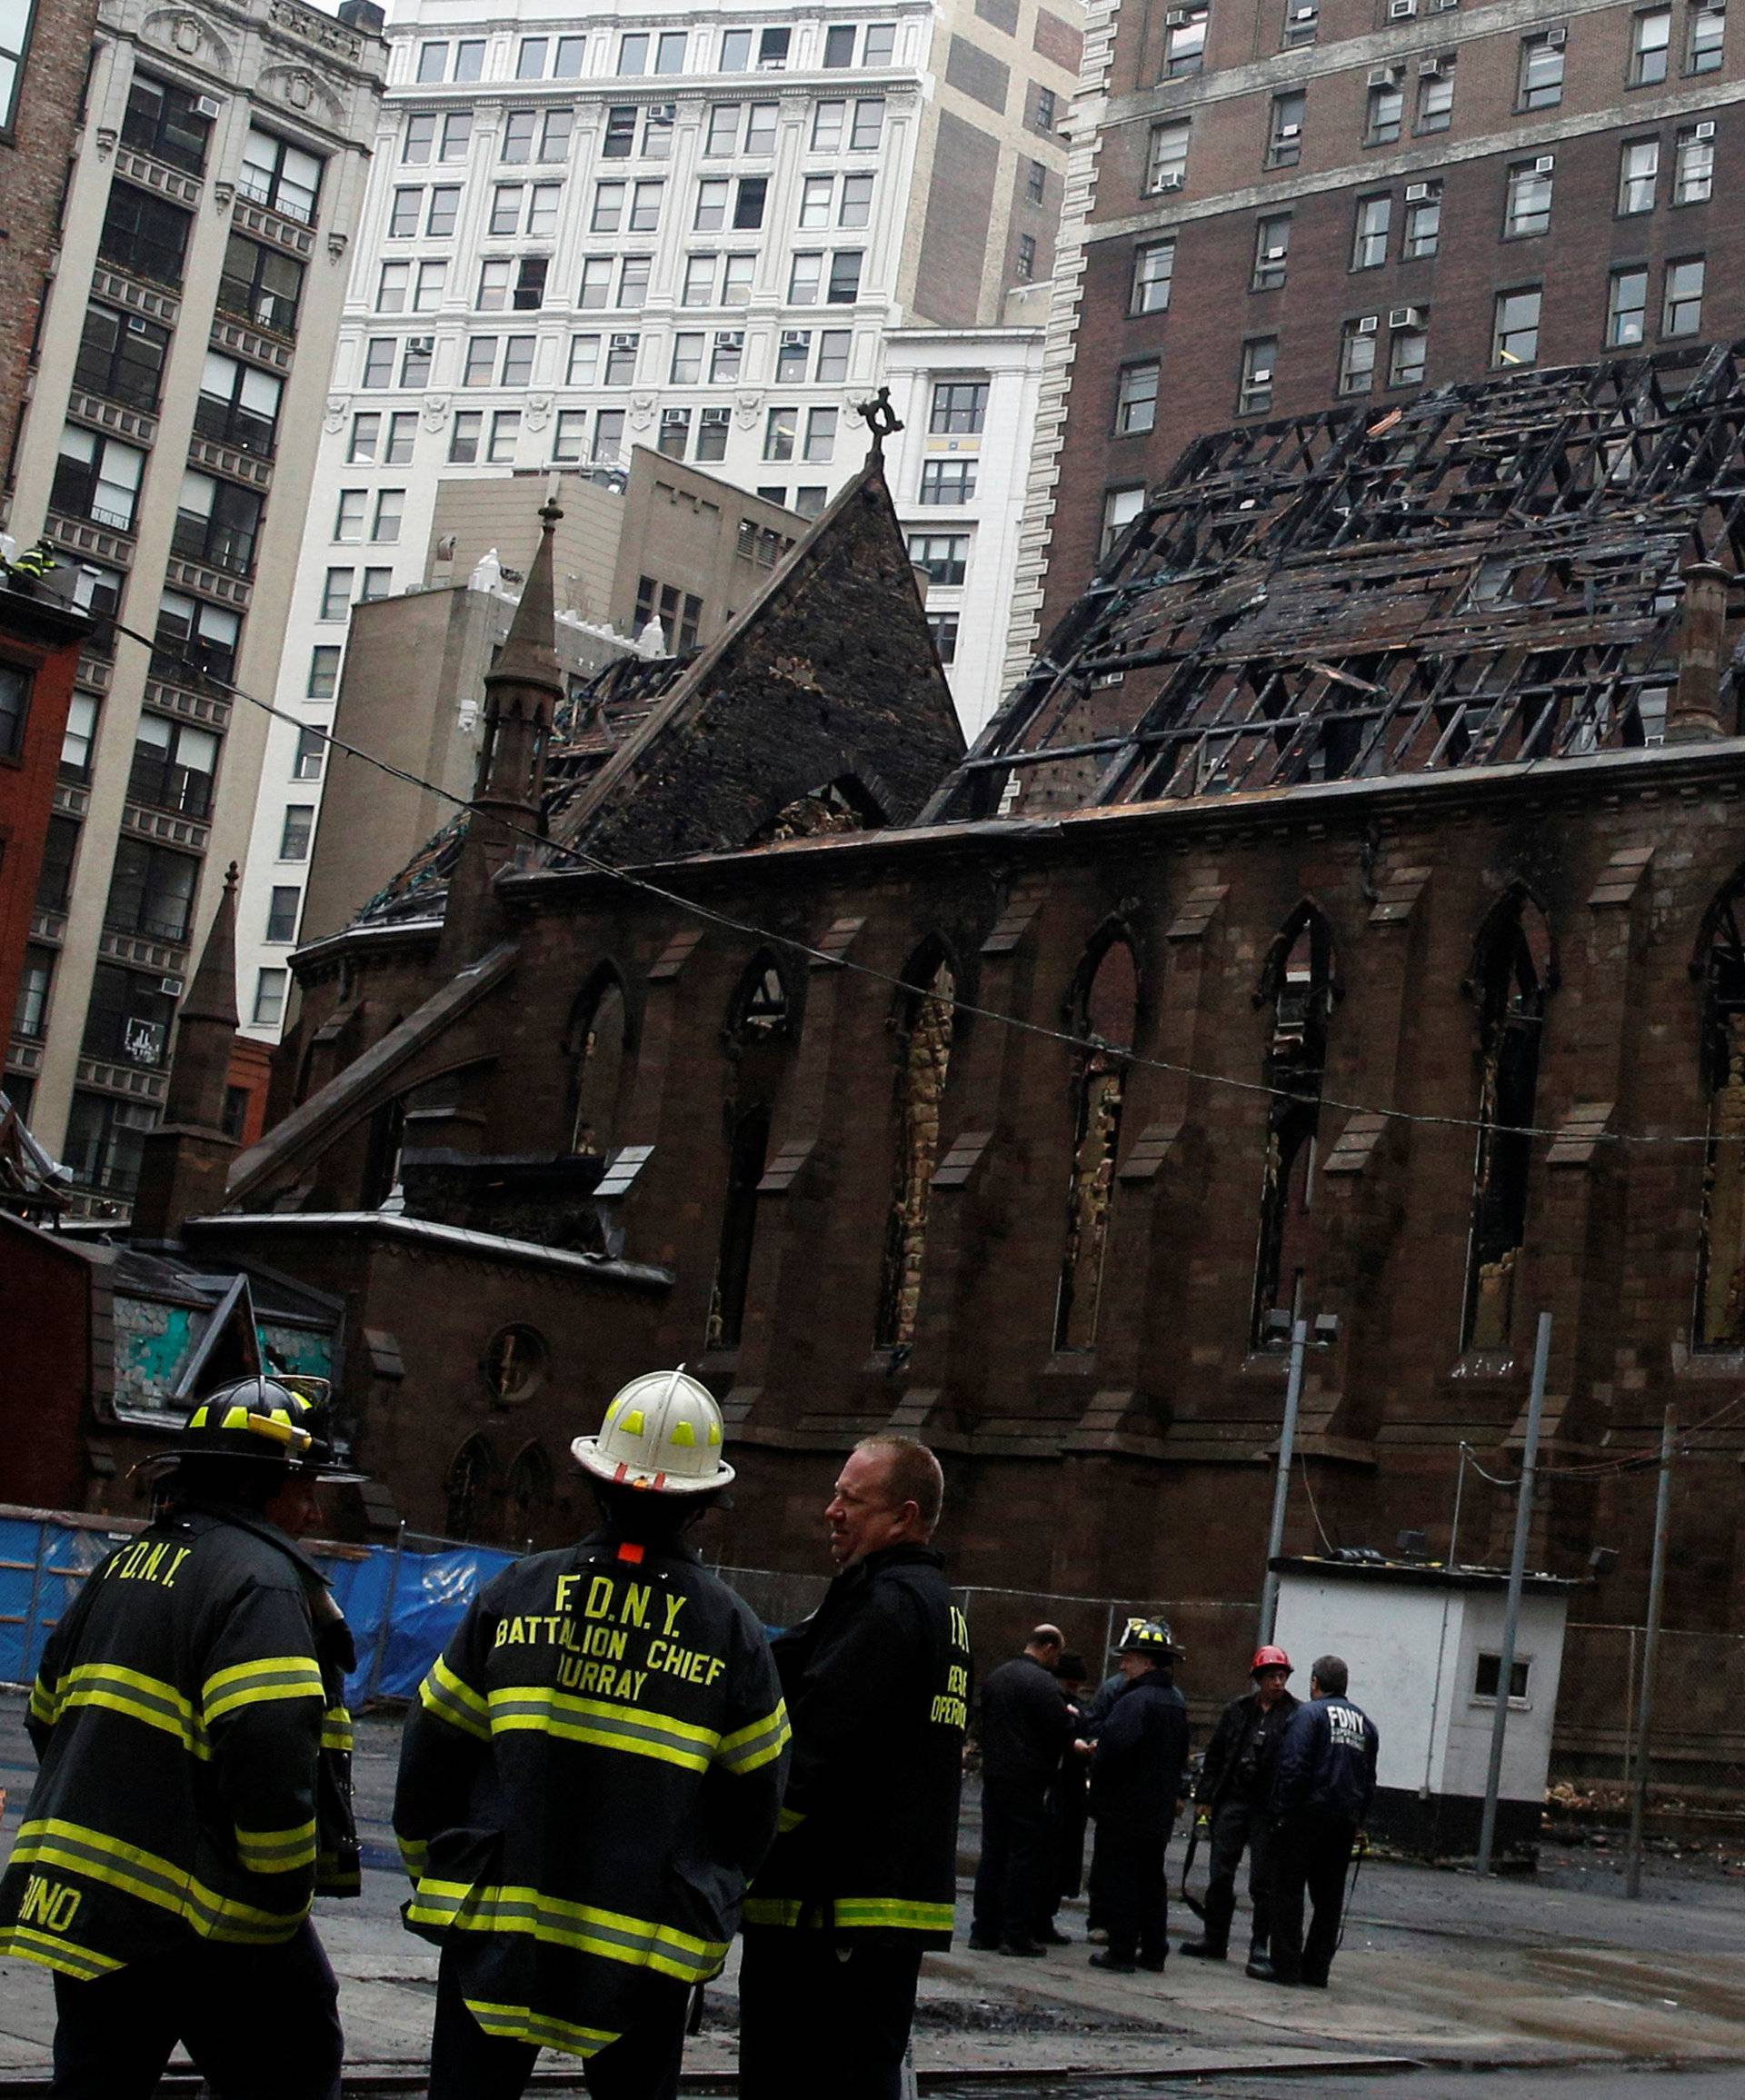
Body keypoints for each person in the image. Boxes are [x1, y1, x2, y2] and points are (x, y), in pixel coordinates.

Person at [394, 1368, 788, 2099]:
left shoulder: (516, 1591)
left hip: (494, 1932)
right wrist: (703, 1898)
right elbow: (756, 1802)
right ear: (702, 1504)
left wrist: (435, 1866)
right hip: (644, 1956)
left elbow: (431, 1749)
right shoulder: (731, 1630)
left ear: (594, 1479)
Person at [0, 1375, 362, 2099]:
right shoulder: (263, 1582)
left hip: (87, 1903)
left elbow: (46, 1711)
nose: (315, 1506)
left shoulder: (122, 1564)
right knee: (293, 2064)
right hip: (205, 1911)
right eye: (305, 1485)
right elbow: (268, 1737)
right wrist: (279, 1890)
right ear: (262, 1485)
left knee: (97, 2079)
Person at [738, 1435, 971, 2100]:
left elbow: (811, 1756)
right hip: (878, 1917)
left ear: (902, 1515)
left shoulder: (885, 1607)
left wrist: (741, 1846)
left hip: (828, 1918)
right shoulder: (937, 1608)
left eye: (851, 1498)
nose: (831, 1510)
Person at [1180, 1645, 1301, 1976]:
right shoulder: (1238, 1711)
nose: (1278, 1682)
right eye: (1272, 1676)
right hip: (1233, 1800)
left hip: (1267, 1807)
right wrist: (1204, 1797)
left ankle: (1259, 1946)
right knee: (1220, 1873)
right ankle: (1214, 1937)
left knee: (1263, 1880)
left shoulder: (1295, 1714)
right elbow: (1217, 1755)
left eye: (1282, 1676)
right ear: (1259, 1678)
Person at [1265, 1653, 1379, 1990]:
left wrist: (1281, 1810)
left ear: (1315, 1683)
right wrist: (1359, 1820)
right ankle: (1316, 1971)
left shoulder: (1308, 1715)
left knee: (1288, 1891)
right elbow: (1368, 1778)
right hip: (1342, 1822)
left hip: (1305, 1816)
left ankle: (1286, 1967)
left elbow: (1293, 1765)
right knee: (1328, 1900)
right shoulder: (1365, 1724)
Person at [1085, 1620, 1189, 1976]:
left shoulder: (1134, 1702)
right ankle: (1154, 1950)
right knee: (1151, 1880)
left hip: (1125, 1810)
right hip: (1157, 1812)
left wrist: (1098, 1792)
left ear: (1146, 1662)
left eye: (1128, 1658)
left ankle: (1122, 1950)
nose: (1123, 1665)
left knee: (1122, 1880)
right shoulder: (1175, 1703)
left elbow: (1111, 1752)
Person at [971, 1623, 1075, 1956]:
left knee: (993, 1854)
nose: (1056, 1662)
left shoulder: (997, 1677)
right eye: (1056, 1654)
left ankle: (983, 1930)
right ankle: (1015, 1934)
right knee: (1023, 1856)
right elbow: (1060, 1729)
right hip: (1029, 1780)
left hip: (995, 1775)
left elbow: (982, 1722)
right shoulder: (1044, 1685)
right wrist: (1073, 1720)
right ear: (1048, 1647)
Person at [1044, 1651, 1092, 1945]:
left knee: (1061, 1855)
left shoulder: (1077, 1708)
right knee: (1051, 1854)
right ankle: (1040, 1916)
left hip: (1070, 1788)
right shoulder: (1058, 1705)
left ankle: (1045, 1915)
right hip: (1058, 1787)